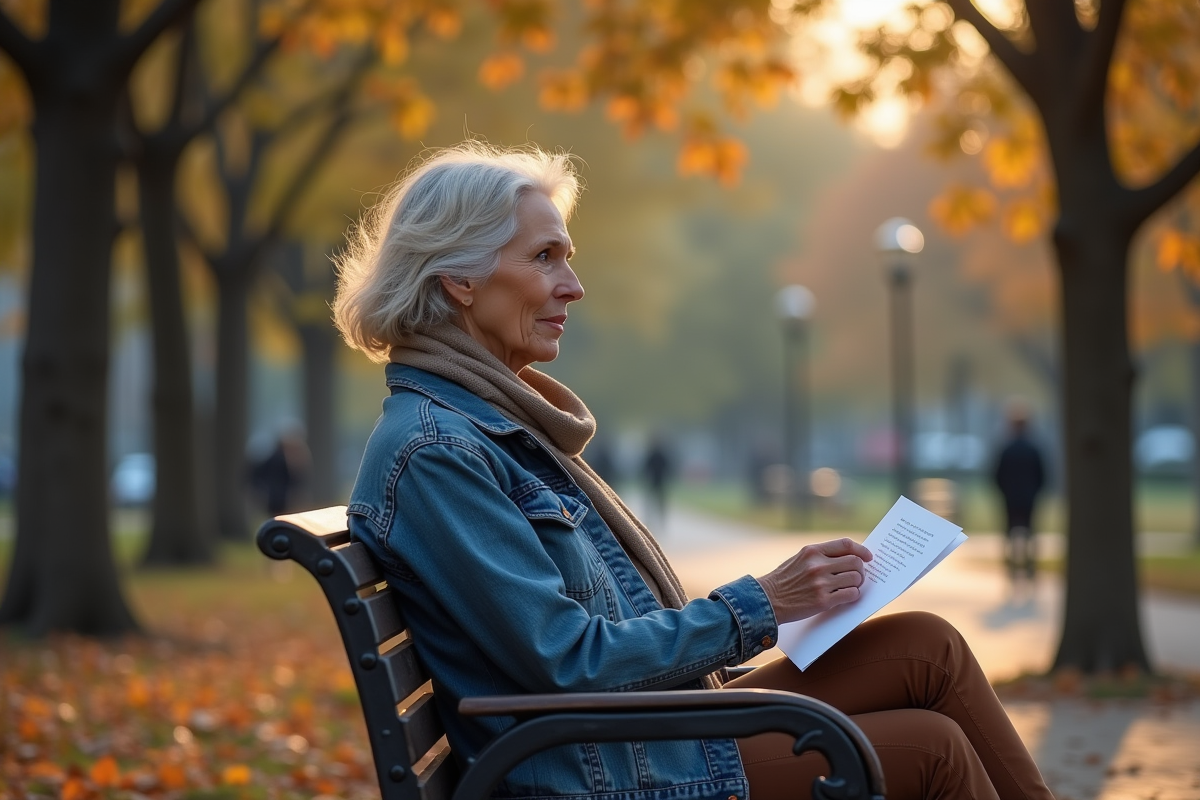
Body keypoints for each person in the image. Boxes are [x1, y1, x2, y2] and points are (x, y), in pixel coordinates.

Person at [332, 141, 1054, 800]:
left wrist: (783, 601)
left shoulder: (492, 427)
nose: (573, 285)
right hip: (602, 768)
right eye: (545, 257)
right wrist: (763, 602)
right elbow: (568, 661)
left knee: (927, 646)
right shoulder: (438, 453)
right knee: (932, 750)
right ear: (460, 278)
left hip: (639, 734)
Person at [992, 402, 1047, 577]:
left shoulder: (1006, 449)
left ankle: (1012, 567)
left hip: (1010, 497)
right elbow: (1042, 475)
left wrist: (1003, 491)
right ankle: (1030, 566)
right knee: (1030, 532)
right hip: (1029, 497)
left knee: (1009, 532)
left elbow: (997, 475)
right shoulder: (1033, 449)